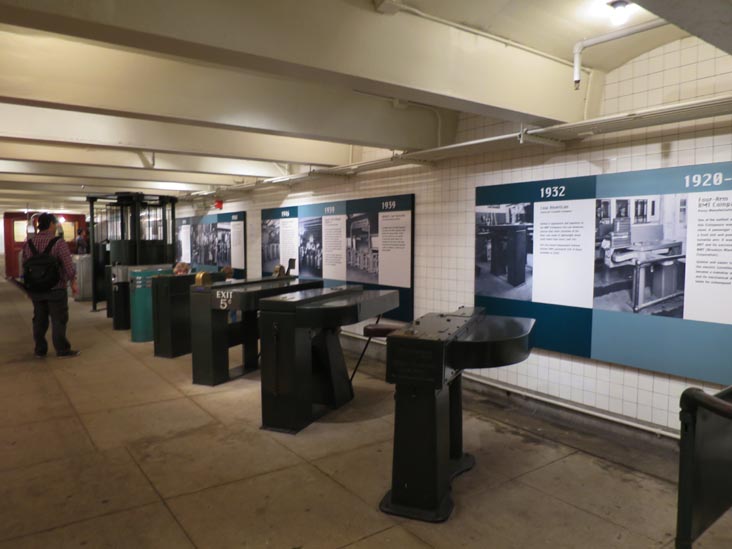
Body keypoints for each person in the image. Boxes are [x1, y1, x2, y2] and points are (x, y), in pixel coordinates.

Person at [22, 213, 80, 358]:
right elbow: (68, 265)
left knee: (39, 320)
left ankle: (40, 350)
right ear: (51, 225)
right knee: (58, 319)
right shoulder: (58, 243)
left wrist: (27, 288)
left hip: (36, 289)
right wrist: (72, 280)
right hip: (56, 288)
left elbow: (24, 267)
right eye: (55, 224)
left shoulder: (28, 244)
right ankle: (62, 350)